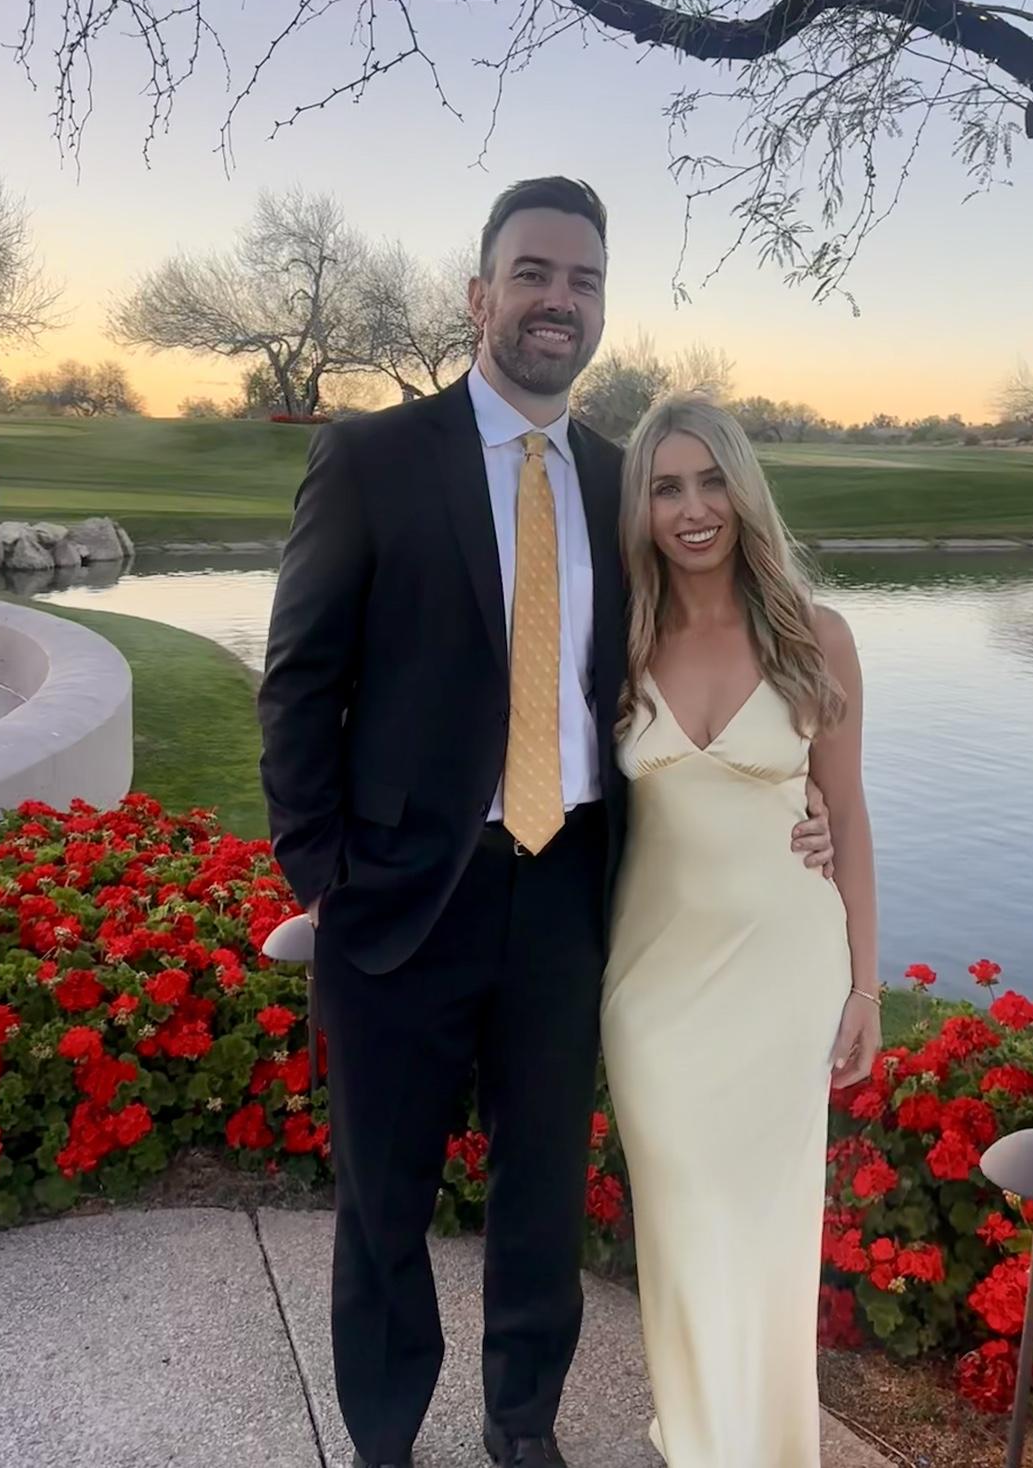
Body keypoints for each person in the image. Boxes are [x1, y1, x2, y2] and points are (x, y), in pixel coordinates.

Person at [256, 177, 834, 1468]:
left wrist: (801, 806)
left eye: (583, 280)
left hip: (570, 890)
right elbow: (297, 681)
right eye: (533, 273)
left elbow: (725, 649)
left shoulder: (628, 486)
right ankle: (385, 1438)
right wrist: (323, 872)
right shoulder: (372, 460)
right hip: (402, 890)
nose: (557, 300)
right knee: (385, 1197)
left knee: (542, 1198)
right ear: (480, 296)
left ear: (603, 307)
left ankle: (523, 1427)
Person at [601, 395, 881, 1467]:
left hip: (785, 977)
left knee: (768, 1233)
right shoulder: (619, 638)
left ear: (744, 491)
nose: (693, 509)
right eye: (667, 487)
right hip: (654, 990)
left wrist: (865, 987)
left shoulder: (817, 636)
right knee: (681, 1227)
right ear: (643, 507)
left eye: (712, 481)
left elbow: (848, 815)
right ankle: (699, 1435)